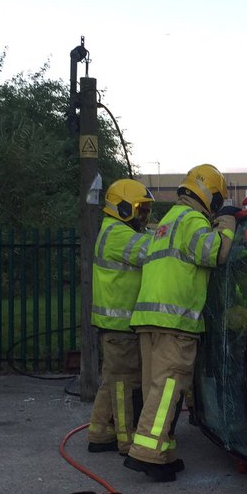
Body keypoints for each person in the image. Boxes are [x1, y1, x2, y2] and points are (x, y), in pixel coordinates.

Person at [125, 164, 238, 482]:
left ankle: (162, 451)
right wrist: (227, 222)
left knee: (154, 389)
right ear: (211, 197)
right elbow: (216, 253)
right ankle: (147, 454)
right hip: (174, 321)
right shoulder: (191, 220)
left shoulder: (167, 221)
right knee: (168, 388)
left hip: (149, 319)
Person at [87, 179, 154, 454]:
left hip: (114, 327)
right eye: (139, 209)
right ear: (123, 206)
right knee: (125, 384)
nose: (143, 216)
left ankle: (100, 432)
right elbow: (150, 252)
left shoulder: (114, 230)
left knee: (113, 379)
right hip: (120, 327)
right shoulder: (118, 234)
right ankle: (127, 440)